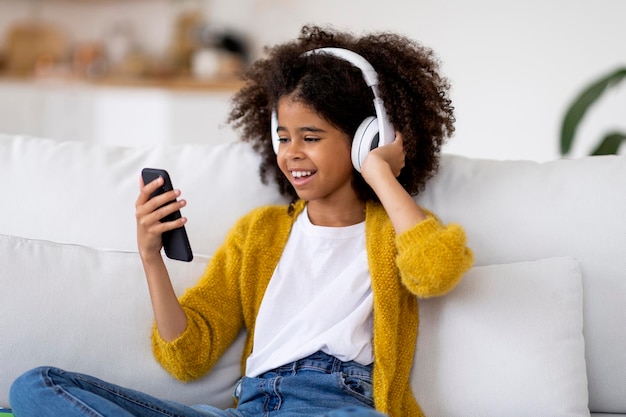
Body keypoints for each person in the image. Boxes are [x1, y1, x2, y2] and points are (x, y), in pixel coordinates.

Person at [9, 25, 473, 417]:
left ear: (367, 138)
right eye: (284, 136)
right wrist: (152, 258)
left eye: (310, 137)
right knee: (35, 386)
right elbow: (187, 356)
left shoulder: (397, 226)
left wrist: (378, 173)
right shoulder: (260, 233)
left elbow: (435, 271)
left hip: (336, 403)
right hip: (251, 405)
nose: (292, 153)